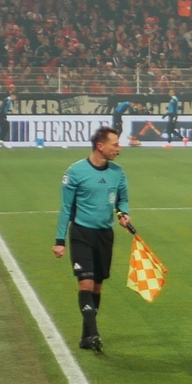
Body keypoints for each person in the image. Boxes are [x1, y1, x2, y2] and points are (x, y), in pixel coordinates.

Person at [53, 126, 132, 353]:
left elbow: (122, 200)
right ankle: (95, 334)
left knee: (97, 287)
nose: (119, 148)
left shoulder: (117, 172)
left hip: (105, 235)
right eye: (114, 144)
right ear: (100, 146)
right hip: (81, 233)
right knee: (85, 283)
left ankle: (85, 337)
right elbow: (66, 208)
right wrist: (60, 240)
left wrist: (123, 214)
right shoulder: (75, 172)